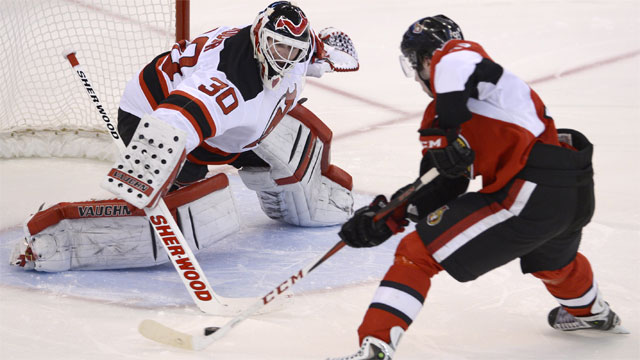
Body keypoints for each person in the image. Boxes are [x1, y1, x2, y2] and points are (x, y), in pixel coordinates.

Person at [330, 15, 626, 360]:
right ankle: (591, 313)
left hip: (532, 189)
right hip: (568, 193)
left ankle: (376, 347)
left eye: (416, 62)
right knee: (552, 261)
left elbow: (458, 58)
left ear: (427, 58)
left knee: (417, 253)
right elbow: (441, 187)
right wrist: (387, 215)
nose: (418, 74)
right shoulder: (446, 113)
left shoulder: (471, 71)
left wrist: (452, 127)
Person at [9, 1, 358, 272]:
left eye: (294, 52)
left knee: (299, 157)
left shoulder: (292, 46)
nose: (287, 60)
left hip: (232, 130)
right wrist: (144, 176)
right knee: (192, 217)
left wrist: (331, 55)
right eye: (280, 49)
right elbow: (172, 124)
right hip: (151, 115)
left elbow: (323, 48)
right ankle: (61, 238)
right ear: (259, 39)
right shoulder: (226, 87)